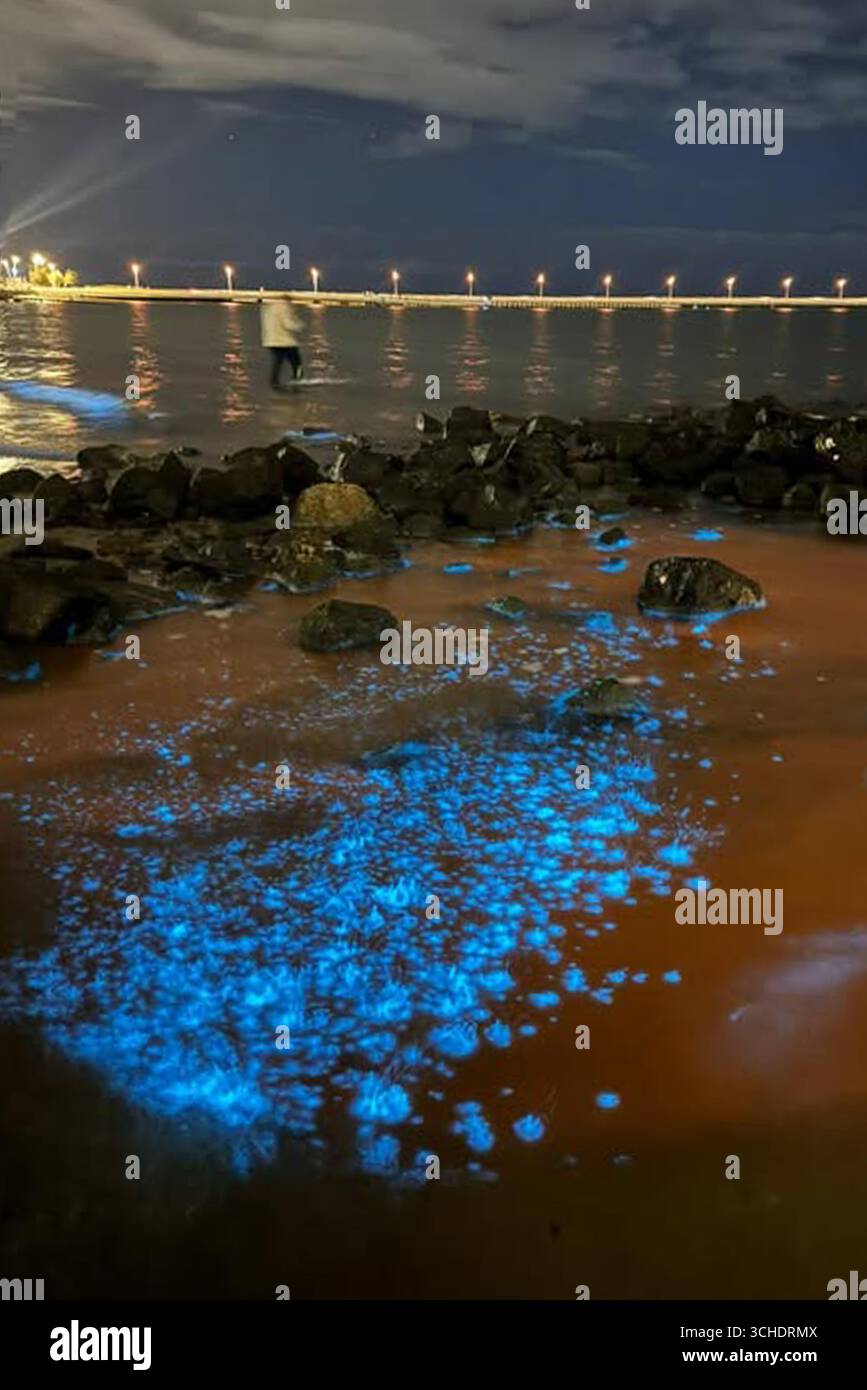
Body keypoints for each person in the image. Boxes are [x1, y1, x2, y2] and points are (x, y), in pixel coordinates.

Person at [260, 294, 303, 389]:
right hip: (285, 342)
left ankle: (274, 382)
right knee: (297, 363)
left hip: (270, 341)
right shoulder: (284, 308)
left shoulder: (269, 309)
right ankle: (297, 381)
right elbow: (288, 324)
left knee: (277, 362)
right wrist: (300, 326)